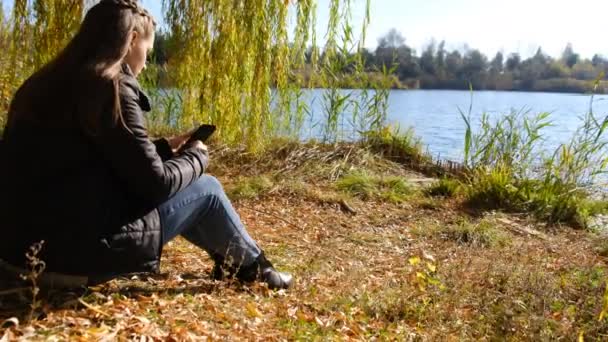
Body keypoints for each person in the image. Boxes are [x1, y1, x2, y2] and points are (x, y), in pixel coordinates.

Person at [0, 0, 292, 290]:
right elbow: (156, 185)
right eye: (148, 52)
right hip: (76, 260)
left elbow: (94, 156)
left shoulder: (40, 84)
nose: (145, 62)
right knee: (207, 189)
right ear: (133, 40)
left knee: (193, 189)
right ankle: (257, 269)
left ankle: (235, 263)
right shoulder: (112, 86)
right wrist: (197, 157)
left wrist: (164, 148)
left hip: (16, 254)